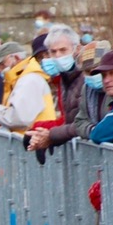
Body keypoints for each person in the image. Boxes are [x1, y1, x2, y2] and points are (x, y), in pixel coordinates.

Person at [25, 25, 86, 154]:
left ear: (77, 49)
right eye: (53, 52)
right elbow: (68, 120)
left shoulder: (86, 77)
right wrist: (43, 133)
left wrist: (50, 135)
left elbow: (82, 122)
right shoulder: (64, 79)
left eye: (63, 50)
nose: (58, 56)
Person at [0, 41, 57, 133]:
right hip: (31, 139)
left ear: (16, 57)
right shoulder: (20, 79)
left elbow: (20, 118)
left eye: (2, 64)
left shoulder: (29, 80)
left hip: (33, 141)